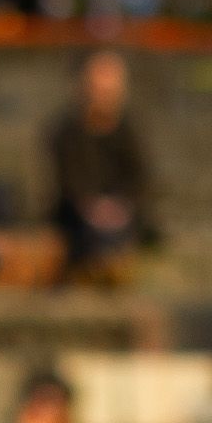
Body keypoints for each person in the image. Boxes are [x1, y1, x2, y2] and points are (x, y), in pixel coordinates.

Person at [47, 47, 157, 280]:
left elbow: (139, 178)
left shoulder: (130, 131)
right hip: (79, 216)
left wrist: (119, 207)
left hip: (122, 214)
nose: (104, 95)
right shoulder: (66, 131)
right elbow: (69, 182)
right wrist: (94, 207)